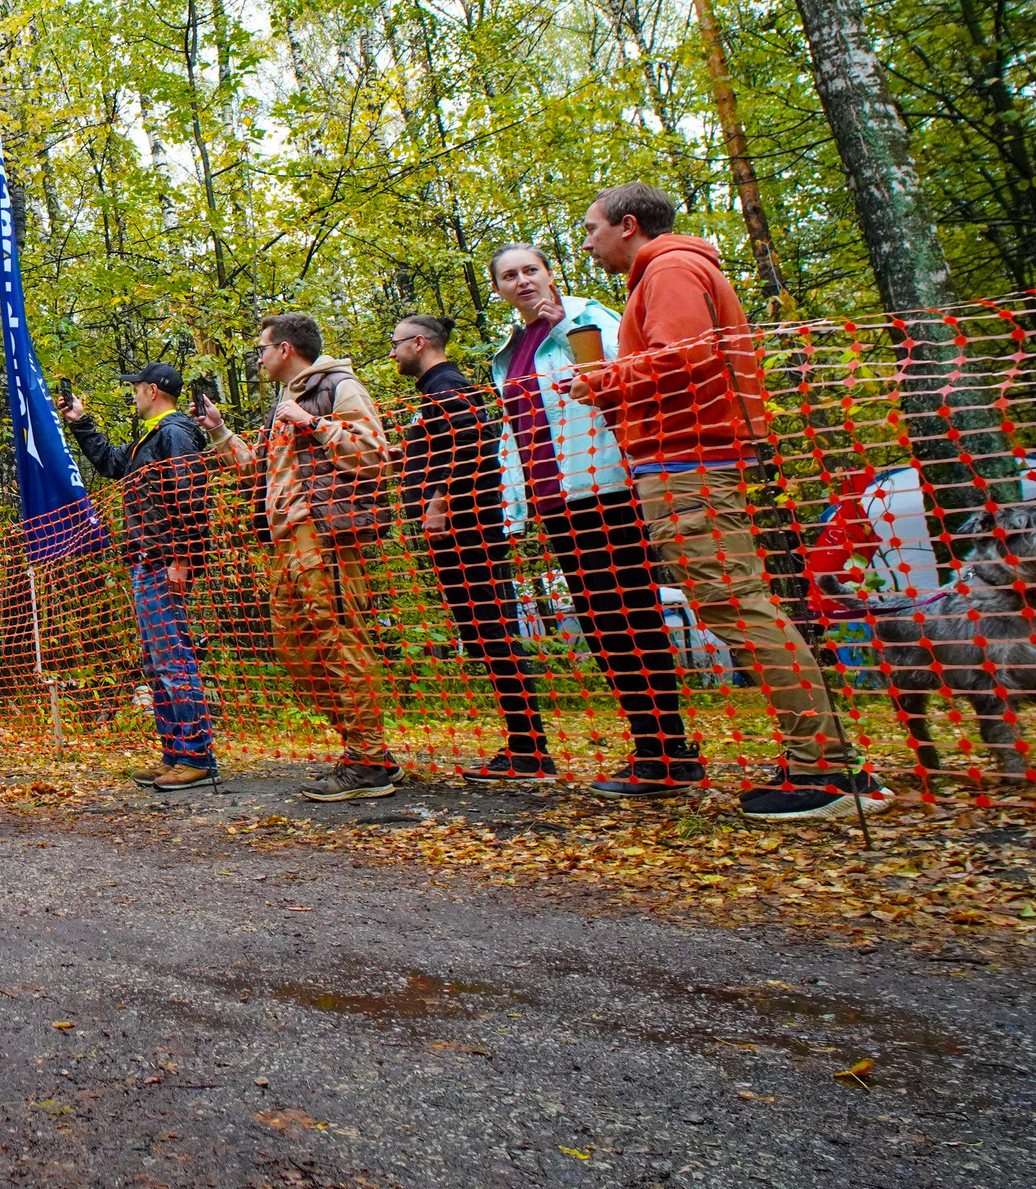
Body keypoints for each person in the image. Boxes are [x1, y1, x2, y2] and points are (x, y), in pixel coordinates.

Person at [569, 183, 893, 822]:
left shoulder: (670, 269)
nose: (586, 243)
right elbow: (674, 370)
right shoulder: (663, 275)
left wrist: (608, 376)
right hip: (680, 459)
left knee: (736, 604)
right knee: (732, 603)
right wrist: (611, 393)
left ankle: (824, 771)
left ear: (628, 225)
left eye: (591, 228)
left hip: (692, 463)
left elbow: (683, 359)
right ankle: (819, 759)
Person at [487, 242, 699, 797]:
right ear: (499, 289)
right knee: (599, 620)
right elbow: (515, 432)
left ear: (550, 274)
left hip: (607, 486)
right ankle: (648, 746)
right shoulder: (509, 353)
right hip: (554, 499)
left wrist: (563, 332)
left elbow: (627, 380)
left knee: (632, 614)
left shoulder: (594, 320)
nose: (523, 282)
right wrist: (514, 509)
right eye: (510, 276)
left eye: (531, 270)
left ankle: (669, 748)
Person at [199, 315, 402, 801]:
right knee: (298, 648)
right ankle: (365, 750)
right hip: (287, 541)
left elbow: (375, 455)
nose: (260, 357)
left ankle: (369, 762)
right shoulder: (284, 402)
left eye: (262, 348)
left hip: (325, 536)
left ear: (286, 348)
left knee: (338, 640)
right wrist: (222, 434)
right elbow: (261, 472)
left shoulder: (338, 386)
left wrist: (313, 423)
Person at [392, 313, 551, 779]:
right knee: (483, 634)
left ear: (419, 343)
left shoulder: (448, 386)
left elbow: (472, 444)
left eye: (397, 344)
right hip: (461, 532)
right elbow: (449, 446)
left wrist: (439, 501)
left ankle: (529, 750)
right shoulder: (434, 391)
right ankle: (525, 747)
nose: (393, 352)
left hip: (470, 531)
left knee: (492, 630)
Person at [61, 361, 220, 790]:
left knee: (174, 660)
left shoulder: (175, 433)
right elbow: (114, 464)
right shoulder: (152, 437)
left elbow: (191, 499)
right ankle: (174, 755)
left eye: (135, 388)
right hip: (144, 560)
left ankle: (196, 756)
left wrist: (183, 559)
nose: (133, 395)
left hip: (162, 561)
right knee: (158, 662)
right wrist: (81, 422)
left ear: (152, 391)